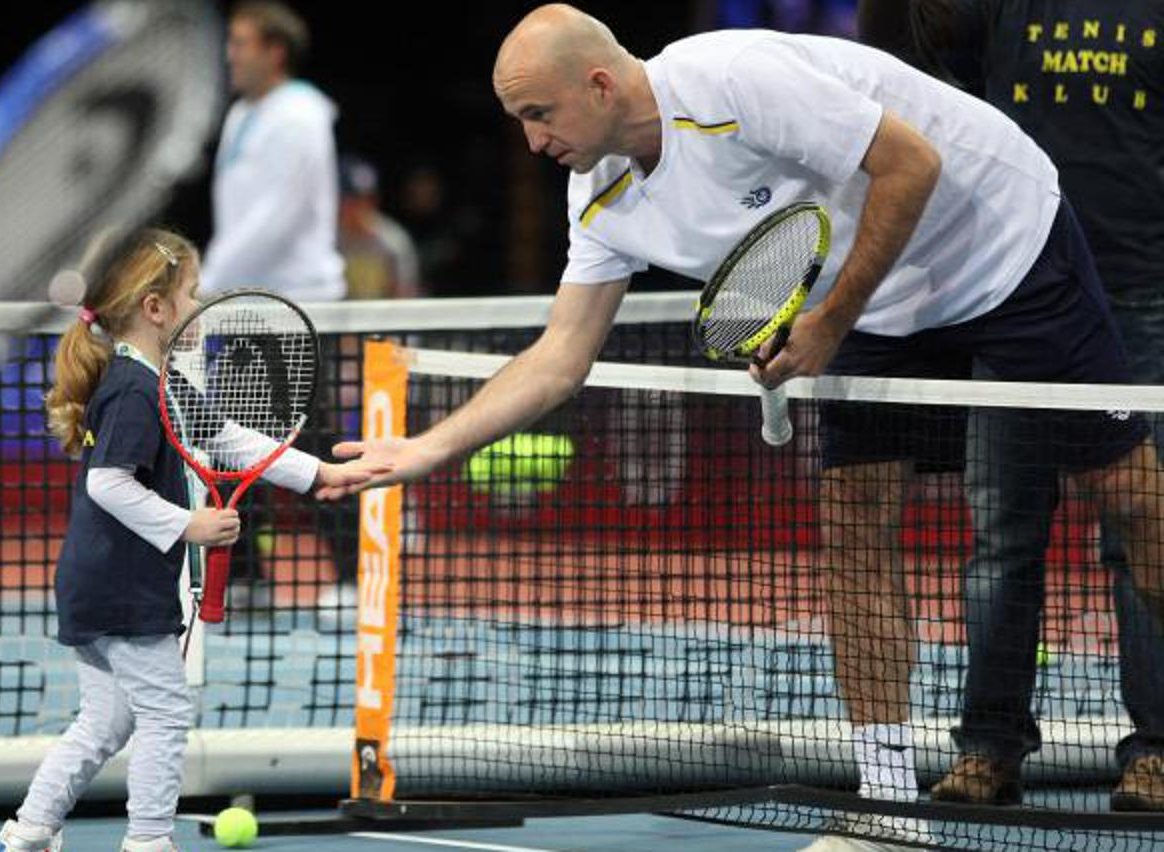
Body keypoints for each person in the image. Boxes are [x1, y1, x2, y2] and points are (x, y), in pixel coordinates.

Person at [325, 5, 1164, 850]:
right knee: (852, 518)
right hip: (874, 295)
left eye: (539, 115)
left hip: (997, 242)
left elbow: (911, 165)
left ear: (600, 84)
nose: (532, 142)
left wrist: (829, 322)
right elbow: (557, 359)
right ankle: (885, 800)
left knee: (1131, 498)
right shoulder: (601, 196)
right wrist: (425, 450)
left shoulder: (734, 81)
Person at [857, 0, 1164, 812]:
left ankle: (1157, 754)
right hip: (1022, 293)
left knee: (1143, 536)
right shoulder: (995, 9)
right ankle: (989, 749)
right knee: (1001, 543)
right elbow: (930, 96)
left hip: (1145, 301)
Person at [0, 228, 381, 852]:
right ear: (155, 308)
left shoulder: (155, 381)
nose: (200, 306)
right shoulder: (133, 389)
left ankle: (28, 834)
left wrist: (320, 474)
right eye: (192, 294)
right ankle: (149, 841)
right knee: (166, 714)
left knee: (104, 722)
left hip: (95, 584)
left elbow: (224, 436)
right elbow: (108, 485)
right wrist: (189, 525)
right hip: (122, 588)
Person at [203, 0, 356, 612]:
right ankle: (245, 574)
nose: (230, 54)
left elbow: (278, 216)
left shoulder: (301, 115)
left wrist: (206, 279)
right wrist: (219, 287)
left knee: (313, 445)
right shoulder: (243, 113)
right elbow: (240, 217)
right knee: (226, 440)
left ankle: (349, 578)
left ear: (275, 51)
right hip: (242, 306)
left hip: (300, 308)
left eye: (241, 43)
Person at [339, 153, 423, 301]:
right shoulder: (328, 240)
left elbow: (404, 295)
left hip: (383, 321)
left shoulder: (393, 241)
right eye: (352, 201)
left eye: (367, 198)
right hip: (336, 320)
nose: (361, 206)